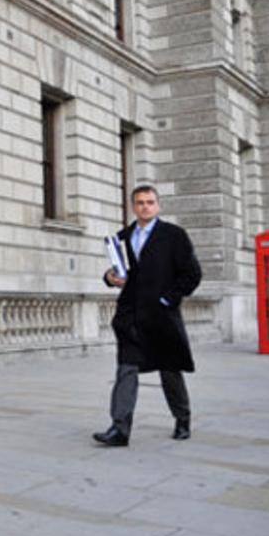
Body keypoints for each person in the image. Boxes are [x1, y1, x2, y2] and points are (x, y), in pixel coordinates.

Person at [94, 185, 202, 447]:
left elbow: (192, 274)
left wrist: (169, 299)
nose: (145, 206)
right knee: (126, 370)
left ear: (158, 206)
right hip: (131, 317)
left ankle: (182, 418)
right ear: (133, 207)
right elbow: (117, 271)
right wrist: (109, 278)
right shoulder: (122, 236)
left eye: (150, 202)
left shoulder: (174, 236)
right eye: (140, 202)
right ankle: (119, 429)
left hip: (161, 317)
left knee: (170, 371)